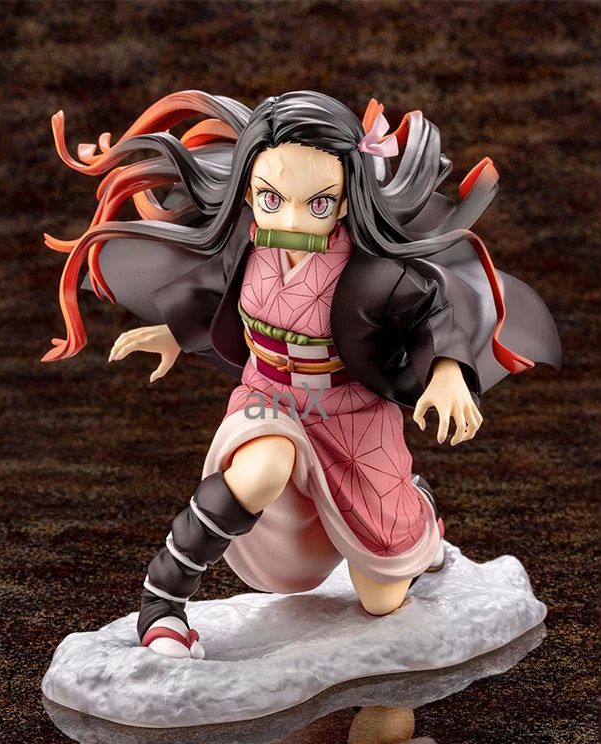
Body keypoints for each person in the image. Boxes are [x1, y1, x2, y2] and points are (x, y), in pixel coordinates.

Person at [42, 90, 561, 659]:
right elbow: (214, 295)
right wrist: (173, 333)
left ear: (345, 199)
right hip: (267, 395)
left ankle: (418, 509)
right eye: (271, 198)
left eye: (317, 204)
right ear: (248, 191)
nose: (289, 220)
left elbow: (431, 312)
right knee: (261, 468)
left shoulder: (372, 270)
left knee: (381, 600)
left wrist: (446, 371)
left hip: (351, 415)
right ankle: (162, 604)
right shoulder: (246, 245)